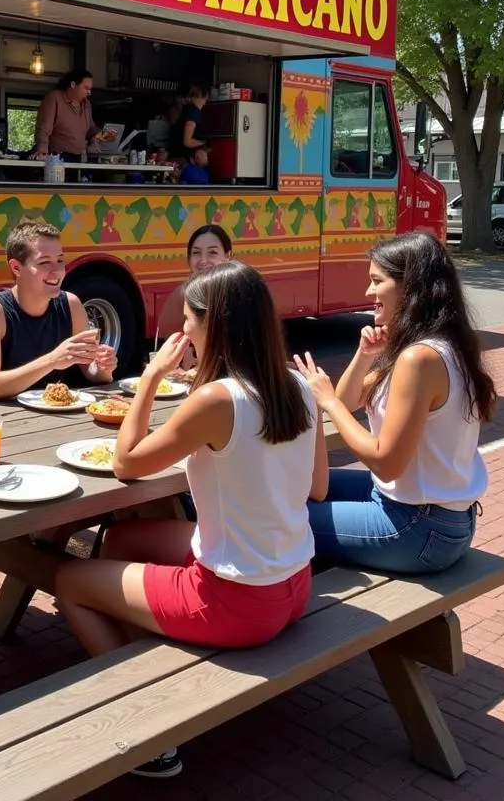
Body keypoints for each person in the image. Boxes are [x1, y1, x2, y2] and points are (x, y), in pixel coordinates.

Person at [54, 262, 327, 778]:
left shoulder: (215, 398)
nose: (183, 332)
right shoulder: (297, 385)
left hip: (237, 603)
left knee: (68, 578)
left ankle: (148, 724)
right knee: (120, 537)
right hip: (292, 585)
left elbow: (125, 462)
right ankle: (147, 642)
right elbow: (318, 488)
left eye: (189, 321)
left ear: (216, 324)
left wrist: (152, 376)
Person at [294, 232, 496, 574]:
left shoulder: (419, 359)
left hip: (418, 528)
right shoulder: (440, 345)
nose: (368, 293)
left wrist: (327, 402)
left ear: (410, 288)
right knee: (296, 486)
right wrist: (364, 354)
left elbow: (385, 463)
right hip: (437, 520)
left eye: (377, 281)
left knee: (279, 517)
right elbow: (349, 399)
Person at [0, 218, 118, 402]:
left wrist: (103, 367)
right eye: (44, 262)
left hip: (59, 416)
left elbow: (92, 373)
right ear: (16, 268)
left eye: (60, 260)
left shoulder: (71, 304)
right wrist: (53, 360)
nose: (57, 271)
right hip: (7, 421)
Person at [156, 225, 233, 340]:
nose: (203, 261)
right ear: (189, 258)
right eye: (196, 253)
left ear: (228, 256)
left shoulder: (238, 292)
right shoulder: (182, 295)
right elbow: (164, 343)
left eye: (212, 252)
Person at [30, 68, 99, 161]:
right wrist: (42, 152)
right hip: (58, 158)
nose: (89, 92)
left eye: (90, 89)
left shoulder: (87, 105)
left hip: (81, 158)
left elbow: (91, 129)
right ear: (73, 85)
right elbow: (43, 129)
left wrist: (104, 134)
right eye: (86, 88)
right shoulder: (54, 98)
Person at [179, 85, 209, 153]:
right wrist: (204, 144)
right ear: (205, 97)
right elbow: (187, 142)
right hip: (183, 156)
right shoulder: (193, 113)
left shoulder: (188, 109)